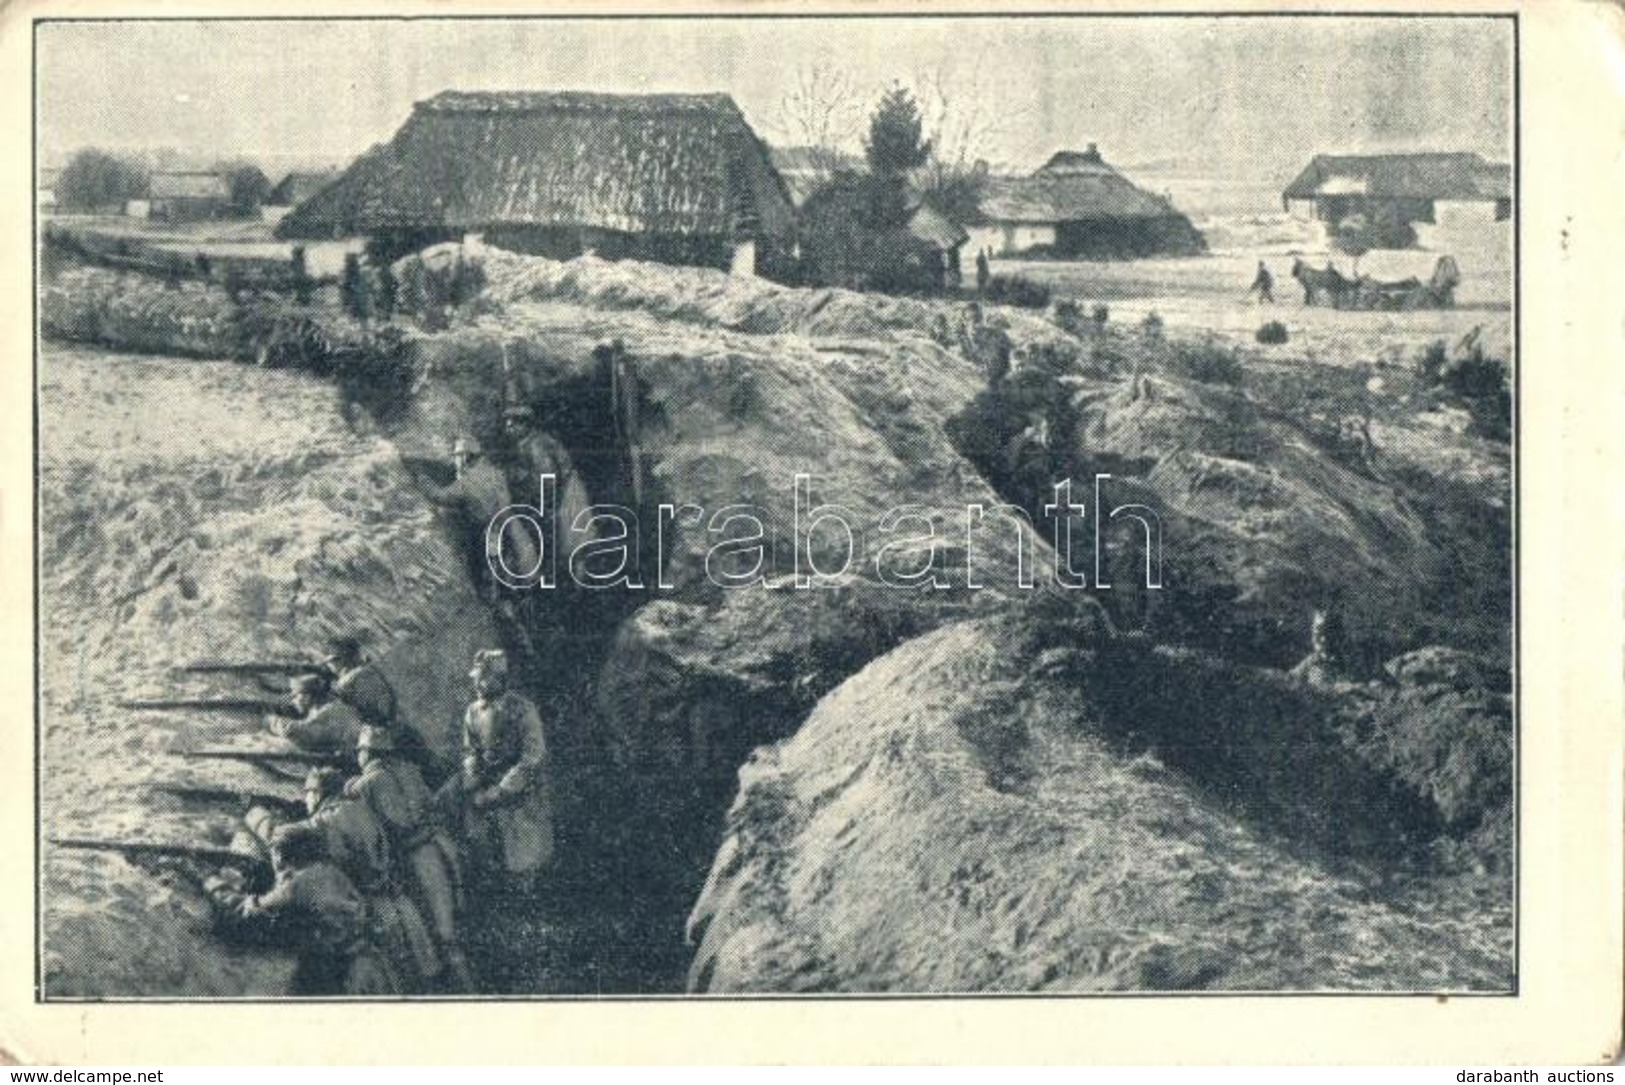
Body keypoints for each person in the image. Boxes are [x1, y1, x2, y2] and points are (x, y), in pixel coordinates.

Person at [245, 767, 442, 993]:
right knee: (417, 978)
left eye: (307, 792)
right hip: (399, 905)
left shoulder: (326, 821)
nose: (305, 798)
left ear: (317, 793)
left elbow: (279, 836)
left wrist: (256, 813)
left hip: (376, 914)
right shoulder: (358, 808)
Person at [346, 726, 476, 992]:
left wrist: (349, 788)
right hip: (438, 847)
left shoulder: (368, 783)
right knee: (449, 926)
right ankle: (465, 986)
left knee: (437, 932)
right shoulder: (409, 770)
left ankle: (464, 993)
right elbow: (431, 803)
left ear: (367, 753)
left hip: (414, 860)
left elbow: (379, 828)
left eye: (359, 751)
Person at [204, 822, 395, 996]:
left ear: (279, 855)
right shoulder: (330, 871)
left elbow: (248, 913)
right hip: (370, 963)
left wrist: (213, 884)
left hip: (339, 973)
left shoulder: (297, 886)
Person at [453, 649, 553, 897]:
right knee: (481, 837)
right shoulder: (473, 712)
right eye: (477, 677)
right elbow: (469, 750)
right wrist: (472, 772)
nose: (477, 682)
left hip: (519, 788)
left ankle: (528, 891)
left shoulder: (522, 709)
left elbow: (533, 756)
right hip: (486, 784)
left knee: (523, 851)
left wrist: (502, 790)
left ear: (500, 679)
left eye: (484, 677)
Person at [426, 435, 539, 600]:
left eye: (457, 456)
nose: (455, 460)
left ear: (465, 457)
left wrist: (424, 482)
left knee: (489, 575)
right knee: (514, 570)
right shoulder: (496, 472)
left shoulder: (467, 481)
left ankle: (498, 604)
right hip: (510, 524)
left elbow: (439, 497)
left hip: (488, 532)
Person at [269, 673, 365, 766]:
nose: (293, 701)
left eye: (296, 696)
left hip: (349, 763)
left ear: (307, 696)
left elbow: (302, 733)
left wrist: (273, 722)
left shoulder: (328, 712)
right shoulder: (334, 706)